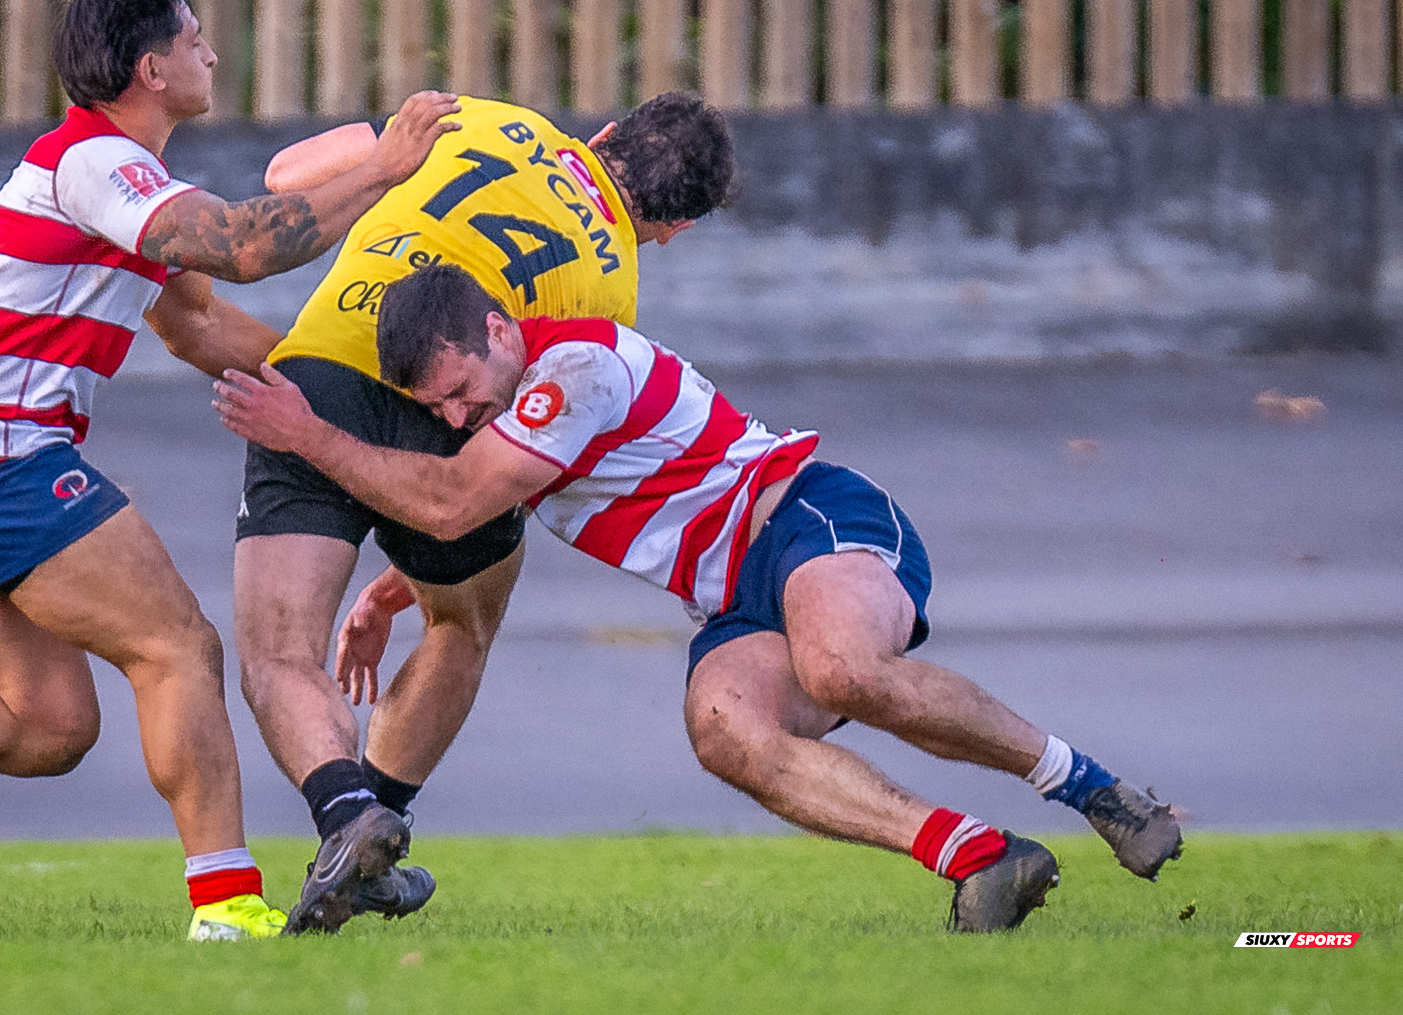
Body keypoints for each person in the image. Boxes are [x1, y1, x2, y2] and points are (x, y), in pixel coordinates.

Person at [0, 0, 459, 942]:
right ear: (151, 67)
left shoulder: (120, 183)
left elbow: (198, 328)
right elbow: (239, 243)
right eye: (194, 37)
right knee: (180, 645)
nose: (209, 52)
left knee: (50, 725)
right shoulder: (97, 165)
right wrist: (383, 166)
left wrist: (349, 384)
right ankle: (227, 906)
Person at [213, 264, 1185, 933]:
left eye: (462, 391)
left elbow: (457, 497)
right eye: (441, 412)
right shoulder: (515, 404)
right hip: (736, 599)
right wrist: (391, 589)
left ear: (500, 333)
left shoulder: (571, 368)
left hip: (812, 516)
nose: (459, 417)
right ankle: (980, 855)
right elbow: (488, 492)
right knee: (724, 727)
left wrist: (308, 433)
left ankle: (1095, 787)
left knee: (841, 665)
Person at [165, 92, 732, 933]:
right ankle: (376, 825)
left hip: (320, 369)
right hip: (452, 418)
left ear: (606, 132)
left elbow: (288, 175)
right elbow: (493, 473)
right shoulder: (609, 295)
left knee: (280, 652)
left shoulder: (488, 116)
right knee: (459, 627)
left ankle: (349, 817)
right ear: (677, 228)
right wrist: (401, 582)